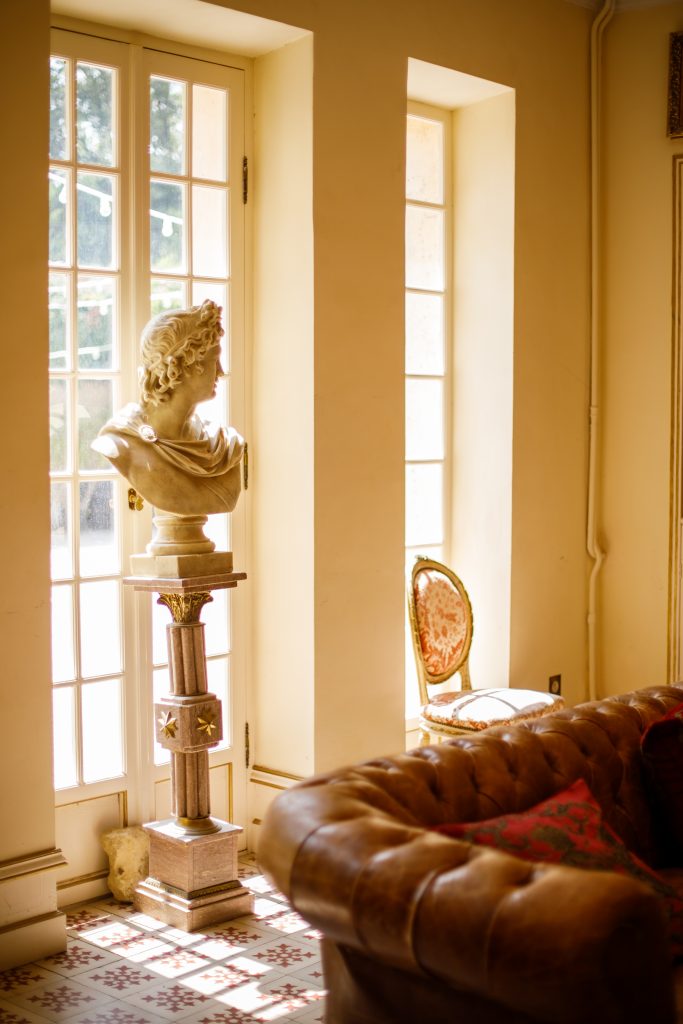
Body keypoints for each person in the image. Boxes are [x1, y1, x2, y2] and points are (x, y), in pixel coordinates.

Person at [92, 299, 244, 516]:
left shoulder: (223, 446)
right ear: (182, 367)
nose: (221, 371)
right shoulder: (122, 445)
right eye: (214, 360)